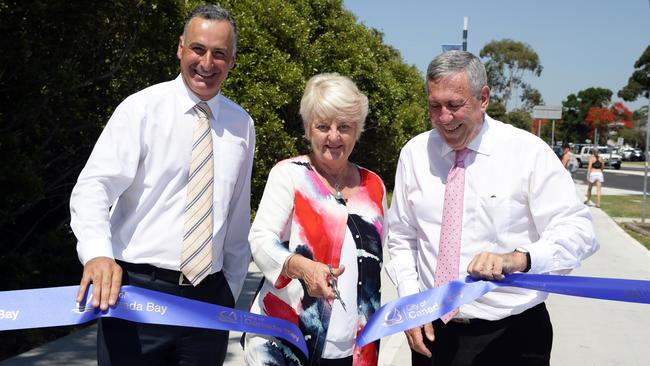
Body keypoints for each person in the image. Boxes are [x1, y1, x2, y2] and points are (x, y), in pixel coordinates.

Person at [385, 51, 598, 366]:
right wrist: (410, 302)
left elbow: (580, 232)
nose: (444, 118)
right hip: (434, 334)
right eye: (434, 106)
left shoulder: (527, 153)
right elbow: (403, 237)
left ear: (483, 98)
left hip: (512, 336)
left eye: (455, 106)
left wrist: (519, 258)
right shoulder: (415, 154)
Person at [69, 4, 255, 365]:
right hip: (138, 298)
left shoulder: (241, 125)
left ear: (232, 61)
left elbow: (235, 213)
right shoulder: (140, 109)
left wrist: (230, 288)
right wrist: (97, 253)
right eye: (198, 49)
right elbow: (94, 187)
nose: (206, 63)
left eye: (219, 54)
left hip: (208, 302)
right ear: (180, 48)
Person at [244, 73, 386, 366]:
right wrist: (303, 267)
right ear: (309, 130)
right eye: (323, 126)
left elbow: (390, 254)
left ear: (357, 131)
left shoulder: (375, 186)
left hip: (355, 348)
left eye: (344, 127)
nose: (333, 136)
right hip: (286, 340)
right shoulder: (289, 175)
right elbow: (260, 239)